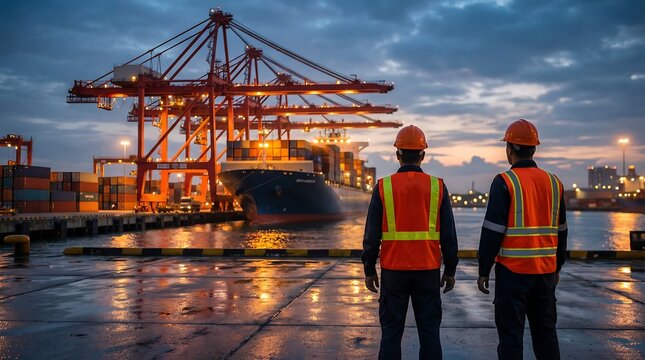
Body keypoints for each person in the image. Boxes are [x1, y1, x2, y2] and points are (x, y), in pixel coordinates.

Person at [362, 125, 459, 360]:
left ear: (398, 155)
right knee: (429, 334)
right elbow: (448, 234)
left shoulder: (384, 187)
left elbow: (372, 235)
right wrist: (451, 270)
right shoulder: (437, 186)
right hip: (427, 271)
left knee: (391, 335)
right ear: (423, 155)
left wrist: (368, 270)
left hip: (394, 272)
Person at [477, 119, 567, 360]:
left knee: (510, 336)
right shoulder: (554, 182)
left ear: (510, 149)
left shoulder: (504, 182)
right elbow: (562, 231)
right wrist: (557, 267)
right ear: (534, 148)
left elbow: (492, 231)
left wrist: (484, 269)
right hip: (545, 274)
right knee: (546, 334)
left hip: (512, 274)